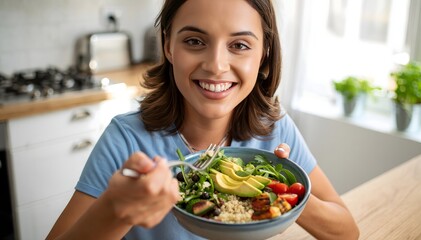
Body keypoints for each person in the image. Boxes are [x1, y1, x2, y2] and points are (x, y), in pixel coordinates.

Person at [47, 0, 359, 239]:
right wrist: (115, 210)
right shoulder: (126, 140)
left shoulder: (275, 129)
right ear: (168, 45)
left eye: (239, 45)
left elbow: (346, 231)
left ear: (264, 52)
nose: (216, 66)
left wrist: (282, 193)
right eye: (195, 41)